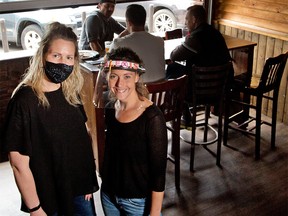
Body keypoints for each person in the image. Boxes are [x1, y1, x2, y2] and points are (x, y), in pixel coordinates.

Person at [3, 22, 99, 215]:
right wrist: (35, 208)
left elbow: (83, 136)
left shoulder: (70, 91)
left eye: (69, 57)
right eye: (56, 55)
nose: (63, 63)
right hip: (48, 198)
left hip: (80, 190)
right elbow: (18, 163)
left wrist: (88, 179)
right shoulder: (24, 100)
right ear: (42, 57)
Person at [95, 47, 168, 215]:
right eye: (114, 76)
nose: (120, 84)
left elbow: (158, 173)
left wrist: (155, 213)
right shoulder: (111, 108)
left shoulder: (152, 118)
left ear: (137, 77)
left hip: (137, 202)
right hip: (108, 195)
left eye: (127, 76)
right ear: (107, 76)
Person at [166, 5, 231, 79]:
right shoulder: (215, 33)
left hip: (200, 85)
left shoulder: (196, 37)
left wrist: (183, 43)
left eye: (187, 19)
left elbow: (174, 56)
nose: (185, 23)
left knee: (172, 69)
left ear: (194, 19)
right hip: (221, 84)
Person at [109, 4, 166, 83]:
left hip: (134, 94)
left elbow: (108, 66)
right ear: (144, 20)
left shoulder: (118, 43)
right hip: (160, 93)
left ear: (129, 23)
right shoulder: (159, 41)